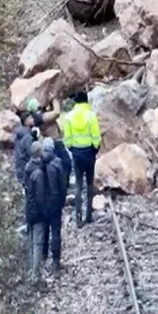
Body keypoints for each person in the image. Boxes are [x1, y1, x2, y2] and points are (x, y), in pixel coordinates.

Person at [62, 91, 101, 227]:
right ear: (86, 101)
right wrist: (95, 149)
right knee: (89, 184)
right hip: (89, 153)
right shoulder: (91, 116)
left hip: (77, 154)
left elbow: (67, 139)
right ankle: (89, 215)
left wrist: (72, 149)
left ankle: (78, 217)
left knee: (78, 185)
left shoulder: (68, 117)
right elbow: (96, 136)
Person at [24, 141, 50, 285]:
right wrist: (45, 213)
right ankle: (35, 276)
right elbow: (40, 197)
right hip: (37, 213)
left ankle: (31, 272)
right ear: (39, 153)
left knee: (31, 242)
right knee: (38, 244)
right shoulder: (38, 174)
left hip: (29, 209)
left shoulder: (28, 168)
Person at [41, 138, 67, 272]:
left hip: (43, 204)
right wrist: (62, 201)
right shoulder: (57, 164)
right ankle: (56, 261)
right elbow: (63, 186)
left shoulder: (39, 164)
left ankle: (43, 256)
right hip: (55, 204)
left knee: (44, 230)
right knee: (56, 231)